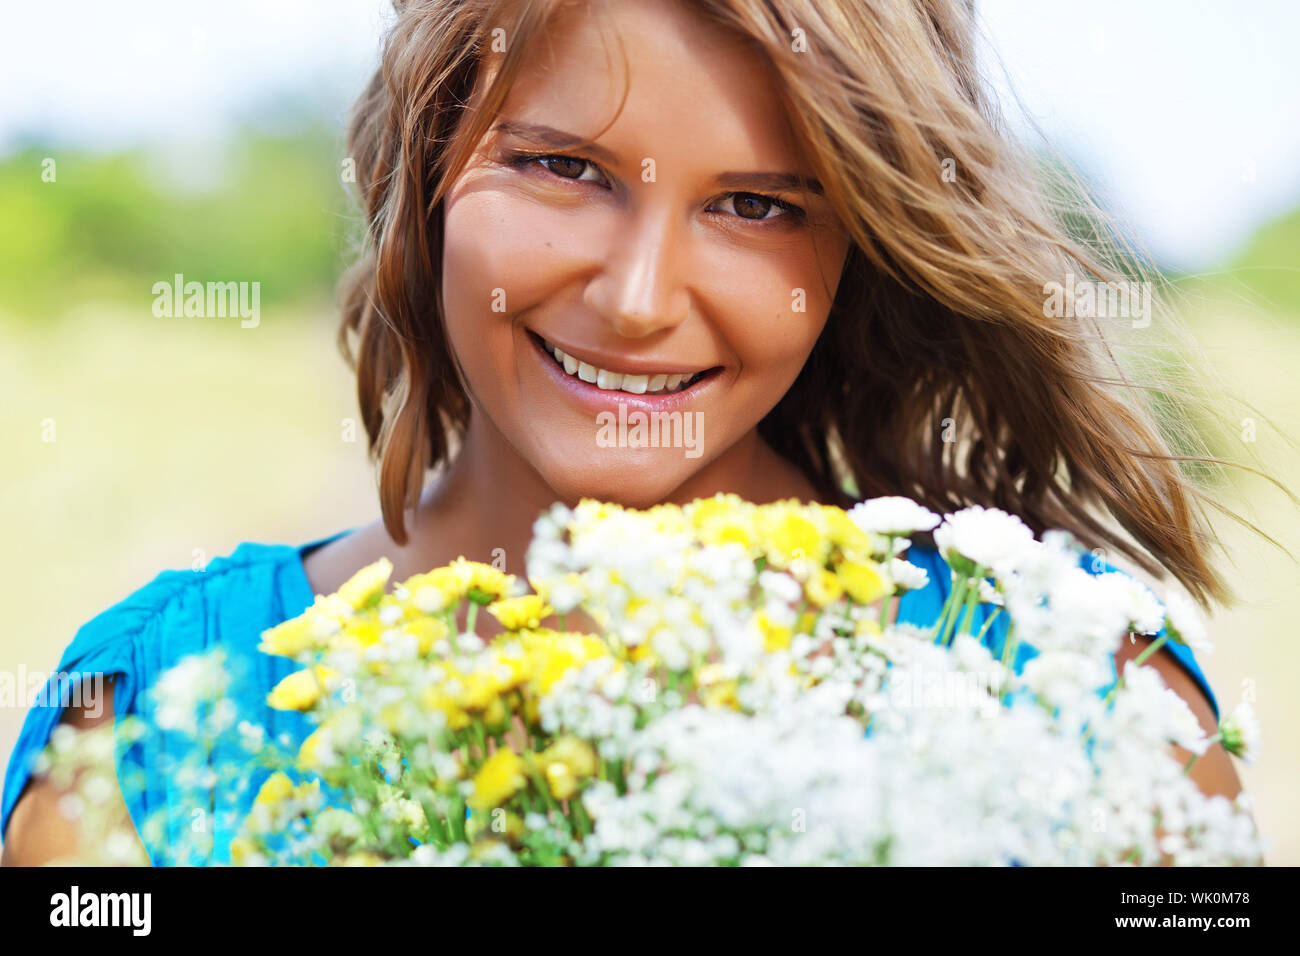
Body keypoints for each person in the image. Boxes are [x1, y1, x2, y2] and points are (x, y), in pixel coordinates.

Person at [1, 0, 1249, 865]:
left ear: (857, 246)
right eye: (563, 169)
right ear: (429, 160)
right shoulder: (138, 717)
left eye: (757, 205)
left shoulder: (1084, 690)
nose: (639, 299)